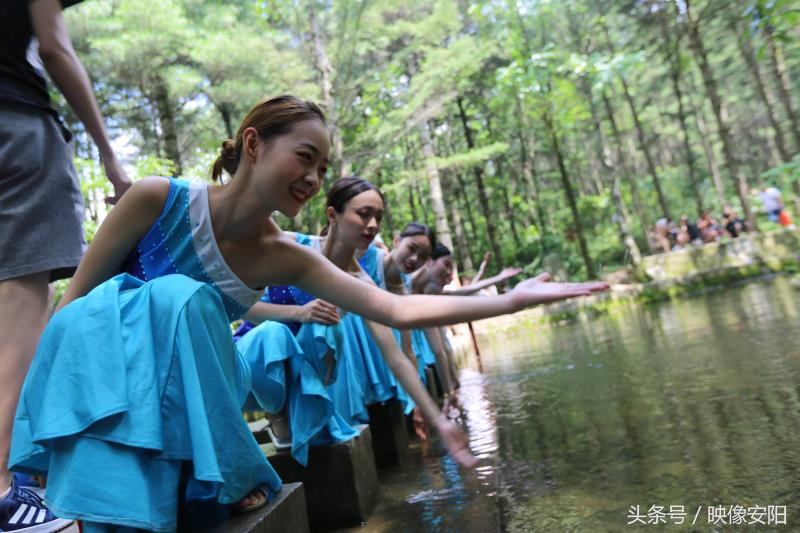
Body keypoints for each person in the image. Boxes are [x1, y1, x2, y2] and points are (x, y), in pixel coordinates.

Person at [9, 95, 607, 531]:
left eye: (323, 168)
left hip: (211, 387)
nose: (315, 179)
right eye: (305, 158)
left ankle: (214, 474)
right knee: (169, 298)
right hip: (115, 378)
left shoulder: (285, 256)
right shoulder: (155, 199)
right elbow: (73, 309)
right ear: (253, 144)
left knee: (193, 308)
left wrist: (510, 298)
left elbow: (394, 308)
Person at [0, 0, 131, 529]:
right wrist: (108, 151)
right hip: (16, 128)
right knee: (19, 307)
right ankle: (5, 491)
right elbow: (53, 46)